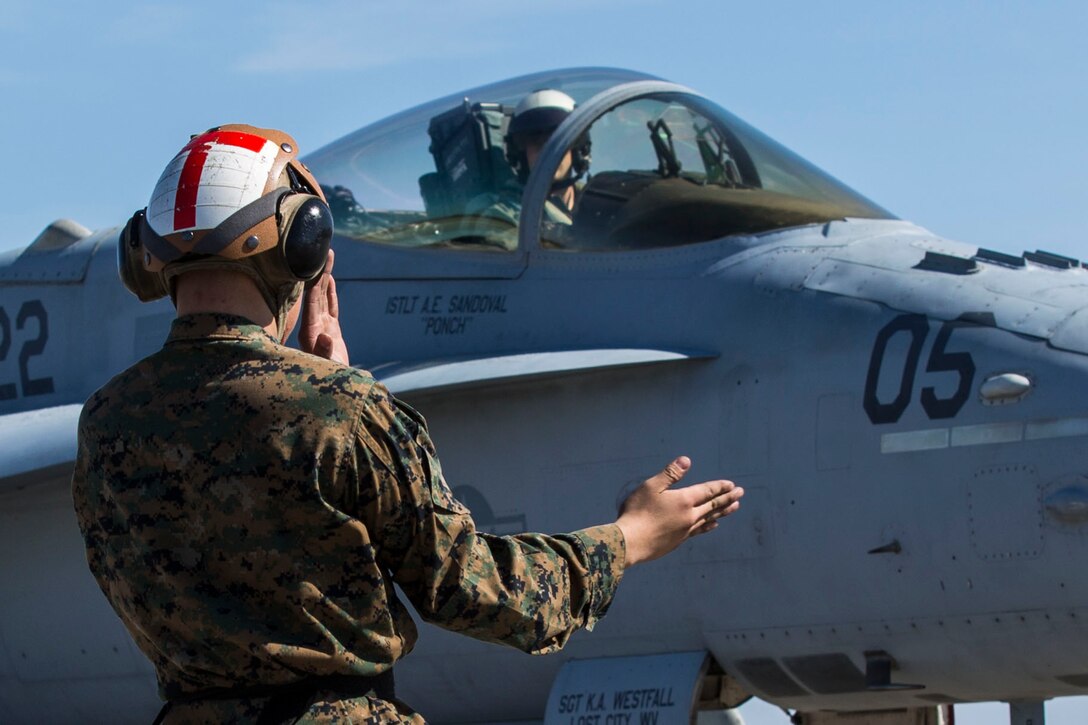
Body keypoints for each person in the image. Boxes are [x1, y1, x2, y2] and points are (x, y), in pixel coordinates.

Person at [72, 124, 744, 723]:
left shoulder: (105, 424)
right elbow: (474, 591)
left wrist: (326, 387)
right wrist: (629, 537)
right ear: (300, 246)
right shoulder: (343, 409)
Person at [465, 89, 590, 245]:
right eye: (536, 142)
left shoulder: (598, 202)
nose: (547, 150)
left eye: (557, 140)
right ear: (520, 154)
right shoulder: (504, 215)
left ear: (578, 148)